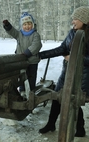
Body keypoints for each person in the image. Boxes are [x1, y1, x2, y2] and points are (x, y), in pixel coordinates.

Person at [38, 6, 89, 137]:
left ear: (84, 19)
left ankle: (80, 129)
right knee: (57, 97)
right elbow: (62, 49)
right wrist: (41, 55)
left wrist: (75, 58)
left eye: (75, 18)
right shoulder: (72, 32)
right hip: (66, 73)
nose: (73, 21)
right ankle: (51, 124)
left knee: (73, 101)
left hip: (81, 76)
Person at [3, 12, 42, 99]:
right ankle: (22, 91)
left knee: (31, 77)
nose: (27, 26)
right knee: (21, 76)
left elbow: (37, 45)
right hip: (21, 60)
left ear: (32, 24)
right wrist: (7, 25)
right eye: (25, 24)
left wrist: (26, 53)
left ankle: (31, 92)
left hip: (32, 61)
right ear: (22, 26)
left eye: (29, 24)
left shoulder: (35, 34)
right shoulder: (19, 34)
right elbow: (12, 32)